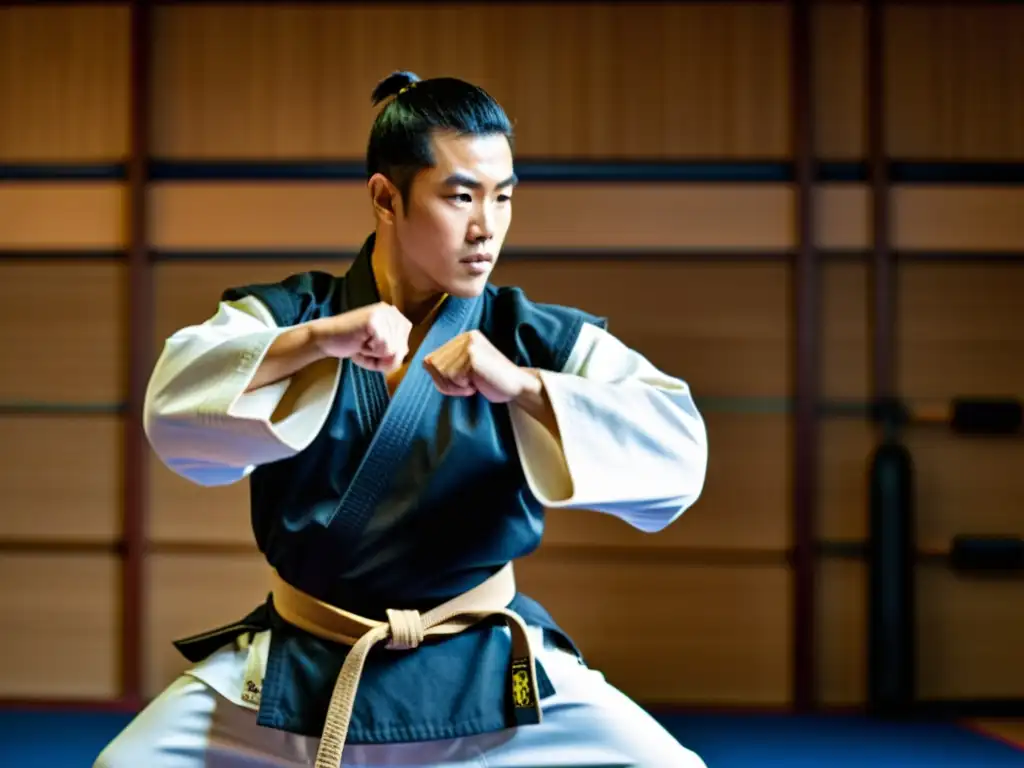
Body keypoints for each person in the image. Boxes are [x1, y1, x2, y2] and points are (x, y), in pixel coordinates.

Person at [95, 71, 710, 767]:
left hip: (481, 663)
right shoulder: (290, 315)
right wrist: (318, 341)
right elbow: (174, 404)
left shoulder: (530, 336)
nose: (487, 227)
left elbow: (678, 451)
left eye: (503, 197)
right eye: (459, 197)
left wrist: (521, 386)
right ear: (386, 198)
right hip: (307, 665)